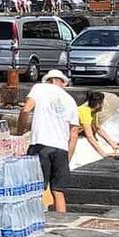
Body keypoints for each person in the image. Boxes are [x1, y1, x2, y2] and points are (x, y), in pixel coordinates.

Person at [18, 68, 80, 214]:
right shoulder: (70, 100)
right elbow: (74, 132)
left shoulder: (39, 88)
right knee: (58, 191)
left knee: (36, 188)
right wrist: (68, 157)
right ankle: (62, 224)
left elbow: (26, 110)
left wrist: (19, 133)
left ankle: (34, 218)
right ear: (62, 82)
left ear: (49, 80)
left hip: (41, 144)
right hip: (61, 148)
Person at [78, 92, 119, 159]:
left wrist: (112, 144)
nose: (103, 105)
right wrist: (104, 154)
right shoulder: (85, 112)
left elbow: (98, 128)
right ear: (98, 105)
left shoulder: (93, 111)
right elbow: (90, 137)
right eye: (103, 103)